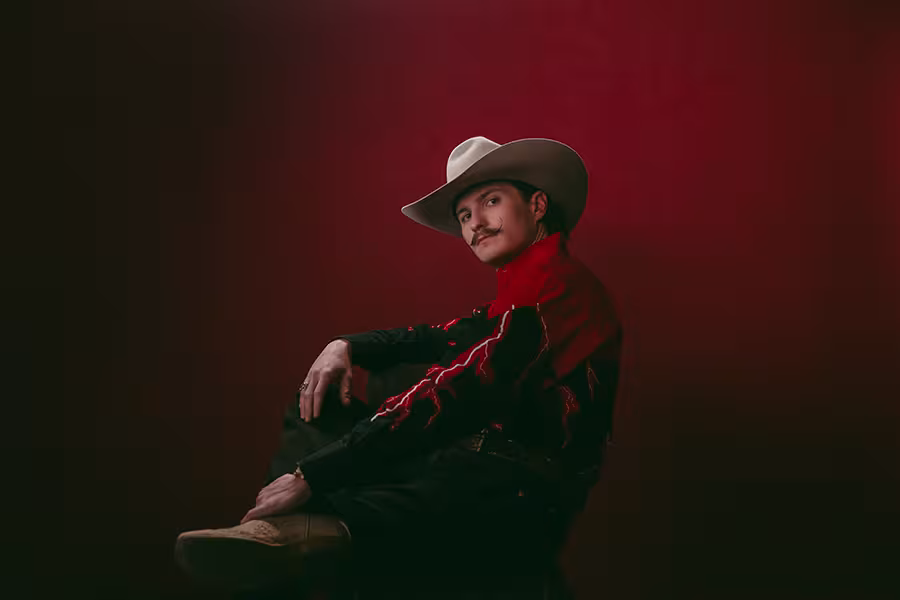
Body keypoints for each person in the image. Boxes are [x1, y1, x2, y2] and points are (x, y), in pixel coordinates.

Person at [175, 136, 623, 598]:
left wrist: (316, 472)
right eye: (464, 215)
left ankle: (298, 534)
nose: (476, 225)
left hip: (517, 488)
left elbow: (464, 385)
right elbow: (438, 335)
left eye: (490, 202)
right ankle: (291, 531)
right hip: (469, 464)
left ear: (538, 204)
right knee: (323, 398)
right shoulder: (515, 296)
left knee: (387, 456)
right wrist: (345, 345)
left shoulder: (557, 289)